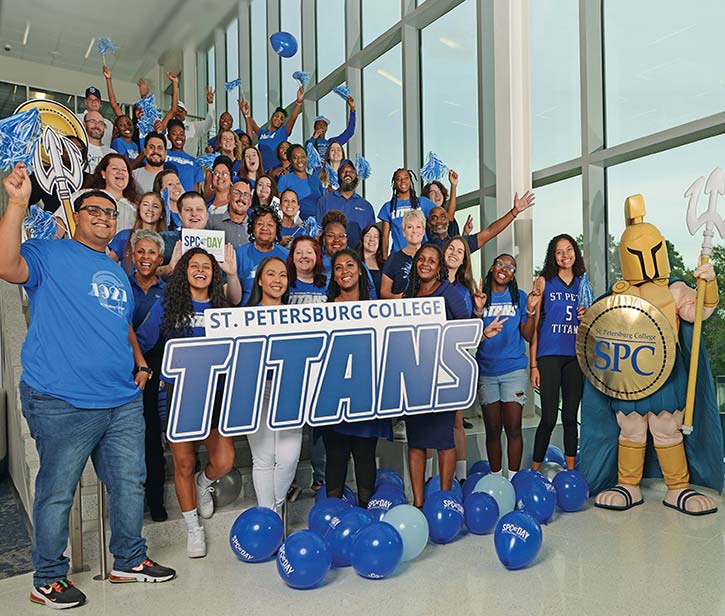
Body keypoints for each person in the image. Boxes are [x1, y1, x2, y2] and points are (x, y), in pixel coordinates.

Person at [1, 164, 175, 609]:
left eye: (109, 212)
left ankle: (129, 561)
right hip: (62, 399)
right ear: (76, 216)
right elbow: (5, 264)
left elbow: (120, 323)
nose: (102, 216)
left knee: (129, 482)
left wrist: (139, 362)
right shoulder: (47, 253)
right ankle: (48, 578)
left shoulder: (114, 269)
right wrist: (17, 203)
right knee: (58, 492)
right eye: (92, 210)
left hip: (119, 398)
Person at [137, 248, 235, 558]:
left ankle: (203, 483)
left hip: (217, 393)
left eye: (207, 266)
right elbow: (141, 342)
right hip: (178, 394)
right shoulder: (167, 306)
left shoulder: (223, 308)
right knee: (182, 462)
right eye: (195, 266)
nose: (201, 271)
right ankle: (193, 527)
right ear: (184, 271)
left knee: (224, 461)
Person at [323, 248, 392, 507]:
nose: (344, 271)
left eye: (350, 265)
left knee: (365, 455)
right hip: (334, 395)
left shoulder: (376, 309)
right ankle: (331, 513)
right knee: (336, 455)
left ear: (360, 269)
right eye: (338, 267)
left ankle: (365, 513)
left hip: (366, 394)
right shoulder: (325, 310)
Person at [403, 244, 469, 507]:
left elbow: (464, 328)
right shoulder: (409, 294)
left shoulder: (448, 292)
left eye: (432, 260)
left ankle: (443, 498)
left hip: (443, 375)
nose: (426, 263)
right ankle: (418, 503)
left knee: (443, 438)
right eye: (422, 259)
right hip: (414, 375)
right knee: (417, 440)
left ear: (439, 266)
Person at [245, 256, 303, 512]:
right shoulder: (245, 317)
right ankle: (268, 516)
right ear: (260, 279)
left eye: (282, 274)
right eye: (271, 274)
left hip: (290, 391)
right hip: (257, 392)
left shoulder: (295, 316)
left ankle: (274, 511)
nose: (277, 280)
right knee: (263, 458)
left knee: (289, 459)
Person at [476, 254, 539, 480]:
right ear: (492, 268)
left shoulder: (519, 297)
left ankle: (512, 481)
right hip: (487, 371)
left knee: (513, 428)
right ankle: (495, 479)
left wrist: (530, 310)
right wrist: (477, 310)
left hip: (514, 371)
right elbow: (471, 335)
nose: (505, 269)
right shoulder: (482, 298)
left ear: (513, 275)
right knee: (492, 430)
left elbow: (528, 335)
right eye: (500, 264)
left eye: (510, 267)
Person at [529, 234, 587, 471]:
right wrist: (532, 364)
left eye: (569, 250)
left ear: (575, 252)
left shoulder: (583, 283)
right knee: (549, 417)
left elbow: (591, 322)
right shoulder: (544, 281)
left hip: (575, 357)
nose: (565, 255)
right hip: (549, 354)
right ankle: (533, 471)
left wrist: (586, 316)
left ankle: (571, 470)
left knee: (571, 417)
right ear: (553, 256)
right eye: (559, 251)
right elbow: (534, 326)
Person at [127, 229, 168, 522]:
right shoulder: (120, 285)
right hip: (120, 367)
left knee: (152, 435)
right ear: (131, 254)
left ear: (160, 258)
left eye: (151, 253)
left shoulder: (166, 293)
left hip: (153, 370)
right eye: (140, 251)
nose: (145, 258)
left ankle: (155, 500)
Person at [427, 190, 535, 254]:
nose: (439, 221)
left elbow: (490, 231)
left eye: (442, 217)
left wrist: (514, 212)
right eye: (434, 218)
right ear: (428, 223)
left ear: (448, 220)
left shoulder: (460, 243)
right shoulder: (424, 247)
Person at [235, 204, 290, 305]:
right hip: (246, 315)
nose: (264, 228)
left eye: (270, 225)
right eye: (259, 224)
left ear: (276, 230)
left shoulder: (287, 255)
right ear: (252, 228)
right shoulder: (238, 254)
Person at [241, 88, 305, 171]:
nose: (278, 119)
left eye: (281, 119)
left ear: (283, 123)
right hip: (262, 170)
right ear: (271, 117)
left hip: (277, 170)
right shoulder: (262, 132)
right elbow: (251, 122)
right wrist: (245, 114)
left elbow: (293, 118)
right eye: (276, 116)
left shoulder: (282, 132)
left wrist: (299, 101)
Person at [316, 158, 375, 249]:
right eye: (344, 171)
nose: (347, 174)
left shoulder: (366, 206)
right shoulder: (324, 201)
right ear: (338, 175)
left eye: (351, 171)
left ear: (356, 175)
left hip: (358, 259)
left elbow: (372, 236)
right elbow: (318, 233)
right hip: (329, 258)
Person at [378, 168, 435, 256]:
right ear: (394, 183)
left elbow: (446, 217)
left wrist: (453, 186)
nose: (403, 181)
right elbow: (385, 237)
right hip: (398, 256)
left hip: (421, 256)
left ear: (410, 180)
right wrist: (385, 259)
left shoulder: (423, 202)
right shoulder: (388, 207)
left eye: (406, 178)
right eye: (398, 179)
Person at [108, 191, 166, 271]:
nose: (150, 209)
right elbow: (107, 265)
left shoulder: (167, 240)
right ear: (139, 210)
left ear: (162, 214)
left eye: (155, 206)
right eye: (145, 204)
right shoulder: (124, 236)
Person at [84, 153, 140, 232]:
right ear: (103, 174)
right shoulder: (86, 196)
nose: (120, 172)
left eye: (124, 170)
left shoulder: (136, 207)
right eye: (114, 168)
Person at [380, 209, 426, 299]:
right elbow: (384, 292)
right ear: (403, 232)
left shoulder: (431, 256)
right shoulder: (393, 258)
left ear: (423, 231)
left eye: (418, 227)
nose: (414, 231)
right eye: (409, 227)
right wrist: (400, 298)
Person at [276, 144, 324, 220]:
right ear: (290, 160)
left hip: (317, 223)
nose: (300, 160)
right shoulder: (285, 179)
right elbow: (280, 205)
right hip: (296, 225)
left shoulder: (315, 179)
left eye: (303, 156)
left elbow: (322, 203)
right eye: (295, 157)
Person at [207, 180, 252, 248]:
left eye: (246, 195)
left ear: (250, 202)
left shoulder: (256, 226)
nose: (241, 198)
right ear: (229, 197)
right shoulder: (212, 221)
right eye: (237, 193)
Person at [165, 119, 205, 192]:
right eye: (174, 134)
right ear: (168, 137)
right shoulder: (164, 154)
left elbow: (195, 190)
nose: (178, 137)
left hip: (186, 202)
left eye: (181, 134)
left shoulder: (193, 161)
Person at [286, 236, 328, 304]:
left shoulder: (328, 285)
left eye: (309, 252)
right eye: (299, 252)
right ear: (292, 258)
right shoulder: (283, 283)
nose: (304, 256)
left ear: (317, 257)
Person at [174, 88, 215, 156]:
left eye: (180, 110)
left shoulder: (193, 126)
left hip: (189, 162)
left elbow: (208, 124)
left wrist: (210, 104)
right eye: (175, 110)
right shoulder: (167, 127)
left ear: (185, 112)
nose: (178, 113)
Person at [356, 224, 385, 298]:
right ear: (362, 239)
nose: (372, 239)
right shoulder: (354, 263)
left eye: (376, 237)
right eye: (368, 236)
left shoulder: (386, 265)